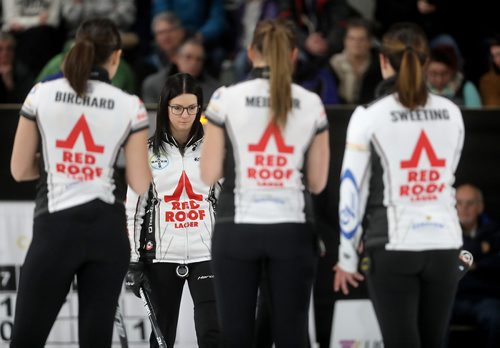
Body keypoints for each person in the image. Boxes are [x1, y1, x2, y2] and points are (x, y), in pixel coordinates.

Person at [9, 18, 151, 347]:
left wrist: (60, 170)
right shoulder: (130, 105)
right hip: (107, 232)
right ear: (116, 57)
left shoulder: (42, 94)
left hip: (55, 231)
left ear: (75, 49)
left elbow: (19, 170)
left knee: (25, 339)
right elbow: (140, 183)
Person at [200, 18, 330, 347]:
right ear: (294, 55)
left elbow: (209, 173)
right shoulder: (311, 103)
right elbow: (316, 182)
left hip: (237, 228)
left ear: (250, 52)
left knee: (236, 337)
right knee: (292, 336)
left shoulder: (224, 98)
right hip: (292, 230)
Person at [334, 22, 465, 348]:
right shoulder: (452, 112)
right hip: (445, 246)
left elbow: (351, 190)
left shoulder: (369, 115)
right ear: (424, 62)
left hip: (393, 247)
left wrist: (347, 258)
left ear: (383, 61)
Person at [125, 73, 221, 348]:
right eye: (177, 108)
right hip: (161, 257)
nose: (184, 115)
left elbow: (230, 203)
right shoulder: (144, 152)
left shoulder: (215, 149)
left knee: (213, 334)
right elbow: (133, 209)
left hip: (208, 254)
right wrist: (133, 259)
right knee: (162, 337)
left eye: (192, 108)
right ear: (165, 107)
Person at [449, 183, 500, 348]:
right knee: (434, 315)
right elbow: (451, 265)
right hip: (451, 299)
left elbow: (496, 263)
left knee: (495, 316)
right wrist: (480, 248)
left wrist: (474, 264)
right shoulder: (443, 232)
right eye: (459, 203)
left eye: (470, 203)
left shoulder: (495, 231)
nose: (464, 209)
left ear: (480, 207)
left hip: (485, 299)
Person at [142, 38, 220, 106]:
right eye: (188, 57)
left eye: (199, 59)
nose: (193, 63)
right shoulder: (153, 84)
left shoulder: (214, 90)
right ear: (176, 58)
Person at [329, 17, 382, 105]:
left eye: (361, 39)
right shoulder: (332, 64)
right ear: (345, 41)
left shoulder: (378, 66)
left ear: (369, 42)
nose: (356, 43)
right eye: (352, 38)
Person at [0, 31, 34, 103]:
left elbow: (28, 103)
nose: (5, 53)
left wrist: (10, 85)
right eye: (0, 49)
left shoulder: (23, 72)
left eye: (9, 49)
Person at [479, 35, 500, 106]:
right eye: (493, 56)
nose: (496, 60)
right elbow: (493, 110)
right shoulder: (488, 80)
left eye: (499, 54)